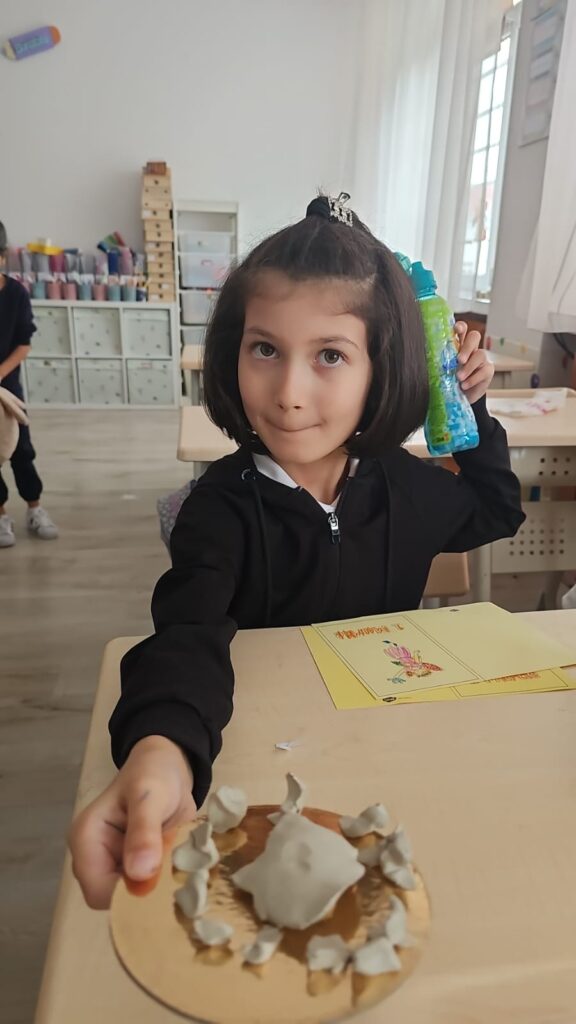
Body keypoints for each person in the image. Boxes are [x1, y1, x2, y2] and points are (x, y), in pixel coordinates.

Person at [69, 193, 524, 908]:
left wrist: (473, 408)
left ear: (383, 368)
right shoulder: (218, 509)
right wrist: (163, 749)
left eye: (331, 355)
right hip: (258, 770)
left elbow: (498, 507)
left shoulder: (405, 488)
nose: (288, 393)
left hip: (385, 759)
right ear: (233, 352)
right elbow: (186, 636)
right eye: (265, 349)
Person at [0, 222, 59, 546]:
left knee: (22, 449)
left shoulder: (16, 294)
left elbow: (24, 344)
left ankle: (34, 508)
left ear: (2, 257)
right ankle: (1, 515)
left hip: (8, 389)